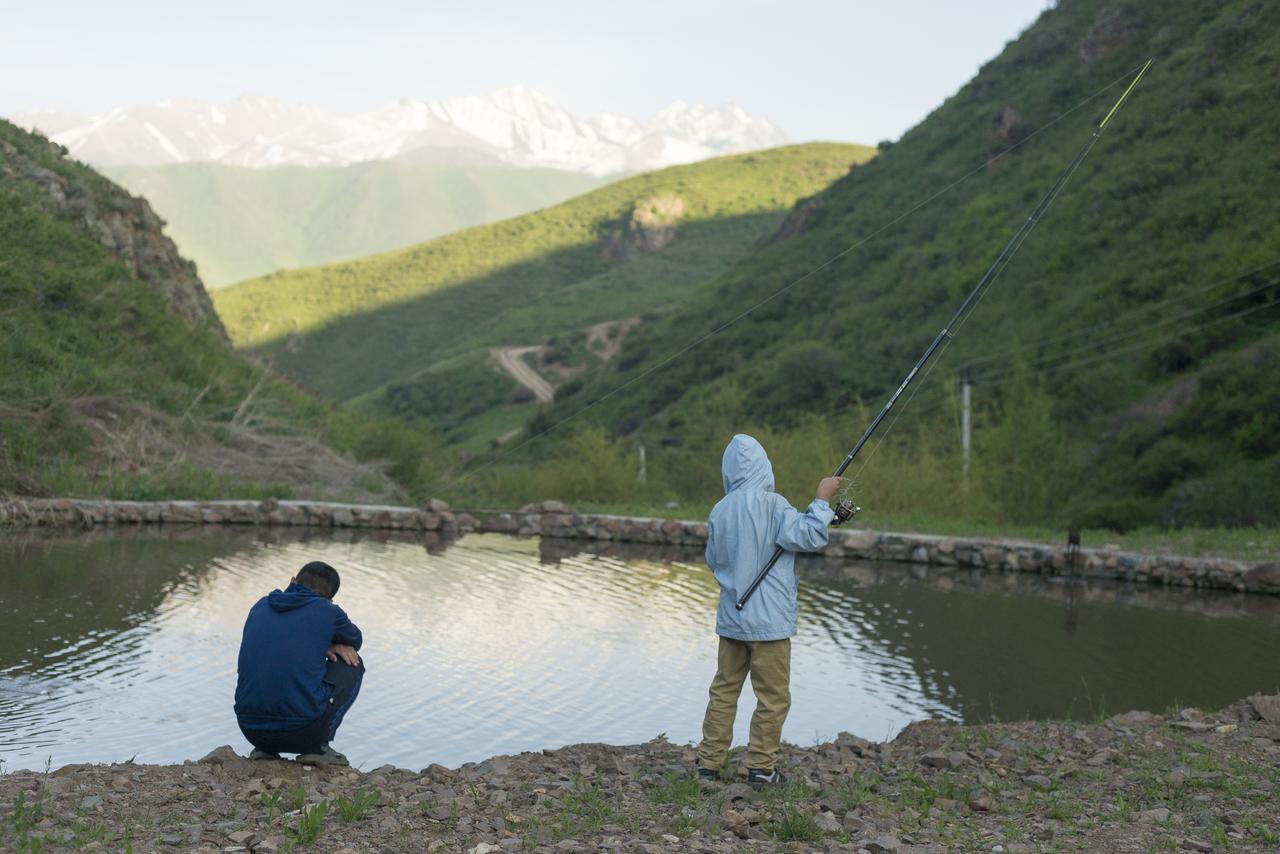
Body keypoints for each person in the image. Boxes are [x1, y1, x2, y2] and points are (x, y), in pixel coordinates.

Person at [696, 434, 839, 786]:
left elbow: (714, 560)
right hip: (771, 625)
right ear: (764, 466)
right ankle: (761, 768)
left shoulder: (721, 508)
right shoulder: (774, 505)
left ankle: (709, 765)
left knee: (724, 689)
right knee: (772, 697)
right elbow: (808, 537)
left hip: (732, 621)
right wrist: (822, 501)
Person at [234, 560, 365, 765]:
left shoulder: (260, 605)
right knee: (352, 662)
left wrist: (323, 644)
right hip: (304, 733)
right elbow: (355, 640)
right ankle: (318, 747)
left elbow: (279, 638)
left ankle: (265, 749)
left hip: (250, 730)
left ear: (293, 581)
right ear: (330, 599)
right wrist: (330, 644)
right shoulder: (328, 611)